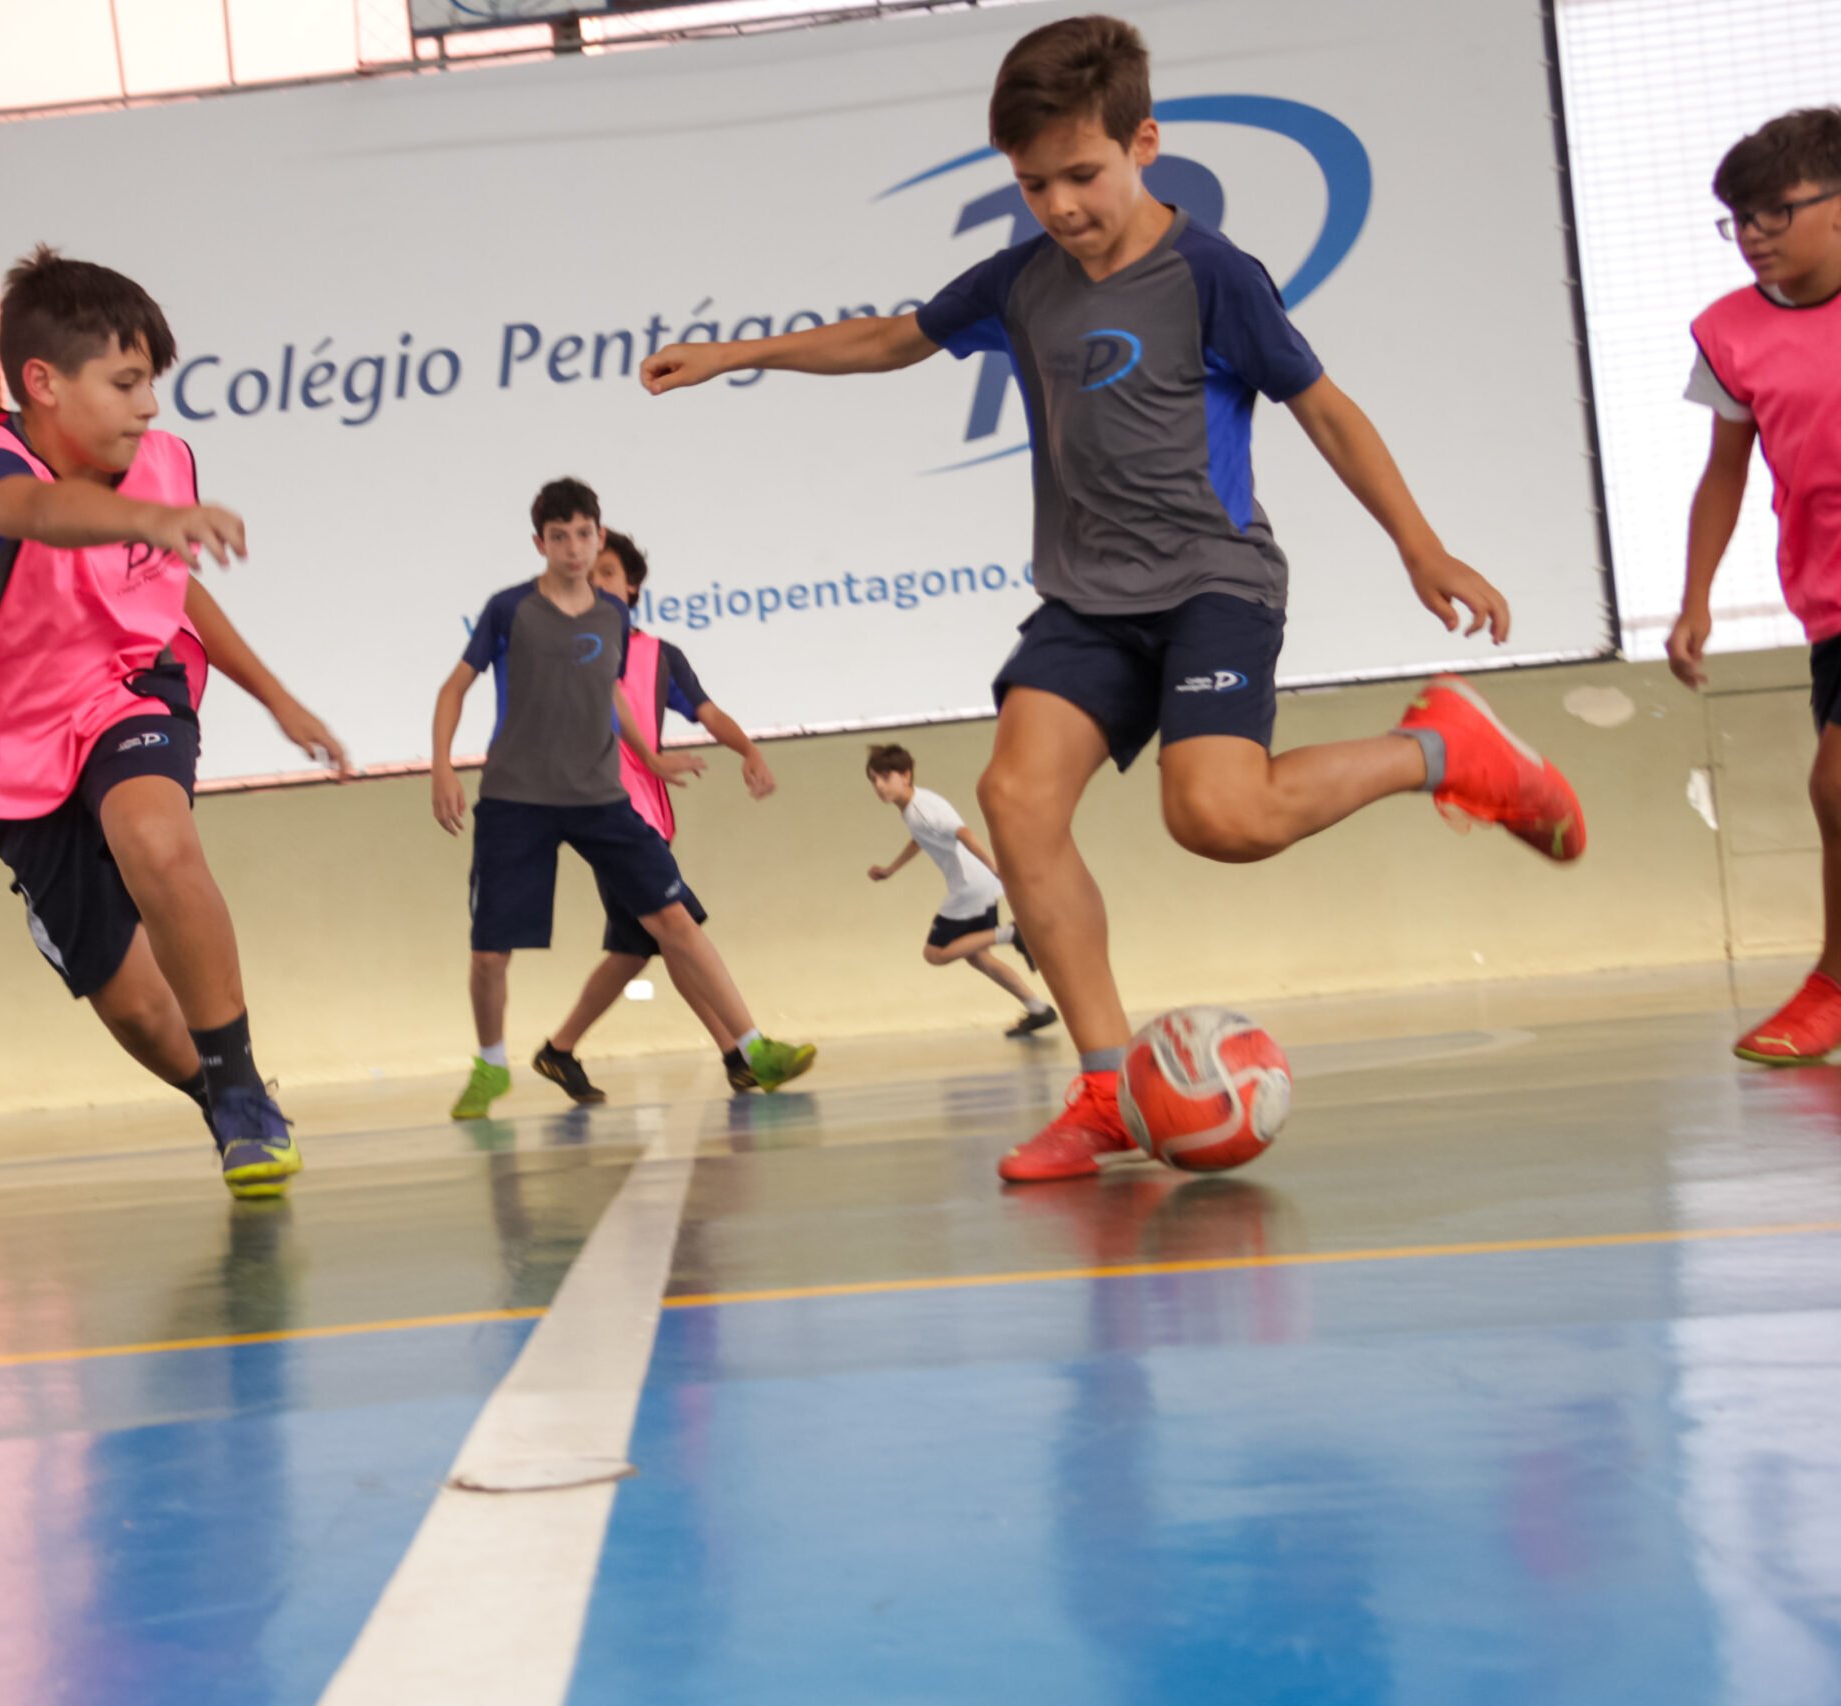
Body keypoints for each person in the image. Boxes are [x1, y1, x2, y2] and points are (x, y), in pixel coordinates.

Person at [642, 14, 1584, 1181]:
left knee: (1218, 819)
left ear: (1143, 143)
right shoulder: (1021, 280)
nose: (1061, 206)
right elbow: (893, 338)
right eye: (1032, 184)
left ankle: (1435, 747)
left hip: (1212, 579)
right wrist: (741, 354)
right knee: (1014, 797)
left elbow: (1326, 410)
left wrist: (1420, 546)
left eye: (1081, 175)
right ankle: (1098, 1089)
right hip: (1085, 599)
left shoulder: (1211, 276)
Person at [0, 245, 340, 1199]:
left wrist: (275, 695)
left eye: (151, 382)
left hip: (131, 688)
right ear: (43, 382)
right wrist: (144, 521)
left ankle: (241, 1090)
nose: (148, 406)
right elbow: (39, 511)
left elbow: (174, 592)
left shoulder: (163, 462)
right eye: (124, 382)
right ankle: (218, 1093)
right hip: (12, 746)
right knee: (136, 1008)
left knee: (155, 836)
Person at [430, 477, 816, 1119]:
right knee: (491, 951)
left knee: (674, 922)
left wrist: (652, 755)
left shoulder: (614, 615)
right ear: (540, 544)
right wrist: (442, 767)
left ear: (598, 535)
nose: (575, 548)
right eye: (560, 537)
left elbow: (610, 691)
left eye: (584, 534)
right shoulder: (509, 610)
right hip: (516, 798)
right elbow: (453, 689)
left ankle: (754, 1048)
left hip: (599, 796)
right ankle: (490, 1065)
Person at [1669, 106, 1841, 1064]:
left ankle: (1834, 984)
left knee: (1837, 785)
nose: (1755, 237)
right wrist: (1695, 598)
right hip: (1828, 599)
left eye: (1777, 212)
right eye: (1739, 218)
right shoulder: (1728, 334)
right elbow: (1726, 471)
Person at [536, 529, 780, 1100]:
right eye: (589, 574)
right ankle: (744, 1052)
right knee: (678, 927)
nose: (596, 582)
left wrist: (748, 749)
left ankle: (559, 1050)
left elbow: (707, 711)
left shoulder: (659, 655)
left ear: (633, 585)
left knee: (638, 948)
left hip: (647, 812)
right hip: (606, 813)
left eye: (609, 573)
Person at [863, 742, 1058, 1039]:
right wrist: (892, 868)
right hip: (978, 883)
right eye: (873, 780)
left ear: (906, 775)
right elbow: (920, 840)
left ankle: (1012, 934)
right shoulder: (914, 808)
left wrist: (995, 867)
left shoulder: (922, 810)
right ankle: (1037, 1009)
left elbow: (963, 833)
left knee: (935, 954)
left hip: (970, 886)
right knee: (977, 956)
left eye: (884, 777)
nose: (878, 786)